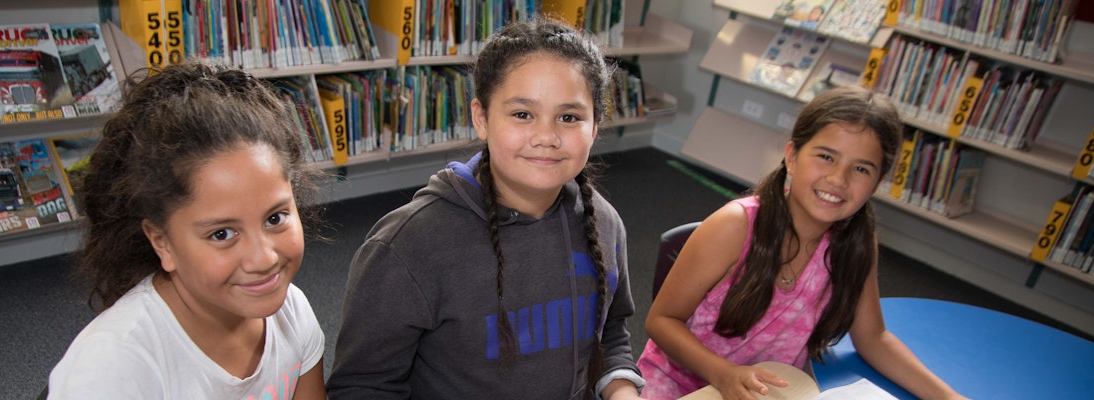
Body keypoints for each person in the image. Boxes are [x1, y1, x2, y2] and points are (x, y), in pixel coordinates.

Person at [327, 17, 644, 400]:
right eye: (522, 114)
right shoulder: (407, 247)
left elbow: (610, 335)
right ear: (481, 118)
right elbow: (362, 388)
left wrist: (622, 390)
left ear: (595, 127)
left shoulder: (604, 223)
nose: (546, 137)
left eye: (569, 117)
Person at [637, 86, 968, 400]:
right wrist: (724, 374)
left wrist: (948, 396)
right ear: (792, 156)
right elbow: (662, 320)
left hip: (771, 392)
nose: (838, 179)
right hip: (678, 386)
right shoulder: (735, 226)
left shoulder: (856, 243)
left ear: (877, 183)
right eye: (826, 156)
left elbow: (873, 338)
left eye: (861, 169)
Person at [47, 61, 328, 399]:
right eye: (222, 234)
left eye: (275, 218)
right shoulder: (112, 370)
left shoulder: (292, 311)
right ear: (161, 242)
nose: (264, 258)